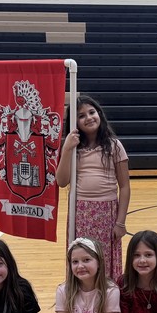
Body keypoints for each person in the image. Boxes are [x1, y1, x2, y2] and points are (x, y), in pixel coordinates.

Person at [56, 95, 131, 281]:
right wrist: (66, 149)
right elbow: (61, 181)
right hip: (81, 212)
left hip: (107, 212)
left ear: (99, 114)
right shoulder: (73, 148)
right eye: (81, 116)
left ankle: (106, 302)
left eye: (92, 112)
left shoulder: (114, 146)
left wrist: (120, 222)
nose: (88, 118)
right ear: (75, 123)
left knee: (104, 260)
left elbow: (125, 186)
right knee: (83, 257)